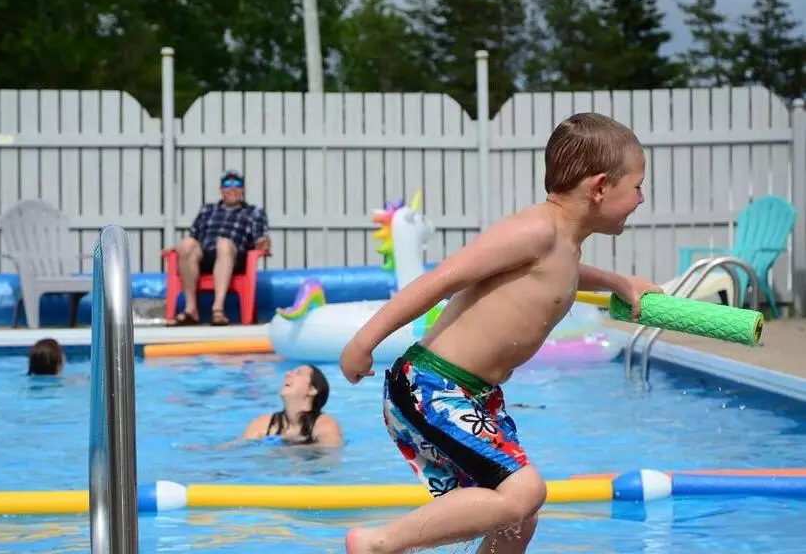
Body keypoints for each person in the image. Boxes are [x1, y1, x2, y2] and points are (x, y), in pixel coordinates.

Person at [339, 112, 663, 554]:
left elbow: (563, 272)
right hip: (431, 387)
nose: (642, 198)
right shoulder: (534, 229)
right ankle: (377, 544)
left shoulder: (562, 243)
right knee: (525, 492)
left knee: (519, 519)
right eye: (638, 185)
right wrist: (364, 341)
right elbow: (441, 280)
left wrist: (620, 283)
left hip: (472, 395)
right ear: (601, 187)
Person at [168, 169, 271, 327]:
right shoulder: (207, 210)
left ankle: (218, 309)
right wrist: (178, 248)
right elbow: (194, 235)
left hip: (234, 257)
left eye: (237, 184)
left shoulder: (253, 212)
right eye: (227, 185)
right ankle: (191, 310)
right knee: (187, 243)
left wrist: (264, 242)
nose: (232, 189)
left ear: (243, 189)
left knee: (223, 243)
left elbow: (260, 238)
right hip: (205, 255)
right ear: (221, 189)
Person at [235, 364, 343, 448]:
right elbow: (238, 448)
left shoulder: (324, 425)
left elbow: (330, 453)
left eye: (299, 373)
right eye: (291, 371)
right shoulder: (263, 423)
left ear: (312, 390)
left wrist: (287, 445)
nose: (287, 374)